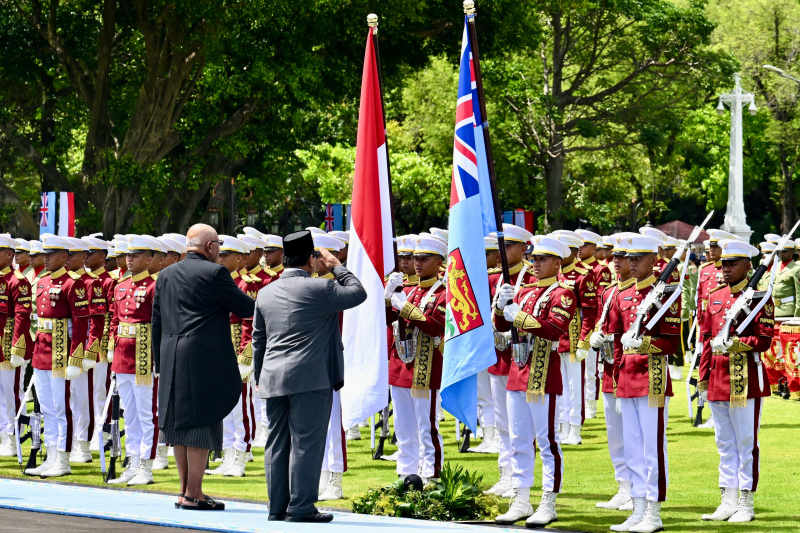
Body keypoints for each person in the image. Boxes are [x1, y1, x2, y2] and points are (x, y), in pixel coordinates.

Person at [252, 230, 365, 522]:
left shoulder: (265, 292)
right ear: (311, 260)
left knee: (276, 442)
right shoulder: (320, 289)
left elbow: (259, 341)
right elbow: (358, 292)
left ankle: (276, 508)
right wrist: (336, 265)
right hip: (311, 377)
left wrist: (260, 376)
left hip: (273, 377)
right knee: (306, 441)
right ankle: (301, 507)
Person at [152, 224, 255, 510]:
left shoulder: (166, 273)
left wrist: (159, 363)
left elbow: (156, 320)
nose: (220, 251)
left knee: (178, 425)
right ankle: (194, 492)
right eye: (219, 245)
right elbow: (246, 307)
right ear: (210, 246)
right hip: (201, 358)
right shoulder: (215, 273)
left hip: (171, 355)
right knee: (201, 423)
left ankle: (184, 490)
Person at [492, 235, 575, 527]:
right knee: (518, 441)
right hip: (518, 370)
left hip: (543, 372)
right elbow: (503, 326)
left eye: (542, 259)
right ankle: (521, 498)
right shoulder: (524, 291)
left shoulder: (563, 293)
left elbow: (554, 331)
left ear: (557, 262)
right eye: (534, 258)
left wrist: (518, 315)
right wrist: (502, 307)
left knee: (547, 441)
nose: (535, 264)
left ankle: (548, 501)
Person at [608, 234, 680, 533]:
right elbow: (615, 340)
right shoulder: (622, 295)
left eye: (639, 258)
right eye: (629, 258)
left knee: (653, 448)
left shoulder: (666, 294)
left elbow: (672, 342)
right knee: (633, 448)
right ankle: (637, 508)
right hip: (626, 377)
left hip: (652, 378)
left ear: (655, 260)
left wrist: (644, 342)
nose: (632, 263)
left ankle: (654, 511)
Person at [698, 239, 772, 523]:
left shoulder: (759, 298)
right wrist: (702, 379)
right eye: (723, 263)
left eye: (732, 263)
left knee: (745, 441)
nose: (725, 268)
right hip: (717, 377)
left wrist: (735, 343)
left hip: (745, 378)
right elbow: (706, 340)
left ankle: (745, 502)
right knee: (723, 442)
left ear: (747, 266)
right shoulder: (714, 296)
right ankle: (727, 499)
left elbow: (764, 340)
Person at [384, 234, 447, 486]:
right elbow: (387, 320)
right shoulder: (406, 289)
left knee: (426, 427)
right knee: (403, 429)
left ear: (439, 261)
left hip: (425, 366)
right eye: (414, 258)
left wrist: (404, 306)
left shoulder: (443, 293)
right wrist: (389, 297)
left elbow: (435, 326)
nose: (417, 263)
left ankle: (430, 475)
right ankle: (405, 474)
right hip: (400, 363)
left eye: (424, 258)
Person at [27, 235, 90, 478]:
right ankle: (51, 455)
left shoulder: (73, 283)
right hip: (42, 351)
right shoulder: (42, 281)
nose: (45, 257)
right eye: (45, 253)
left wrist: (76, 358)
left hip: (61, 351)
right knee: (46, 407)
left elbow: (81, 323)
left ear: (64, 257)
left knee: (61, 407)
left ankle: (63, 459)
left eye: (51, 254)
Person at [482, 225, 536, 496]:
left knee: (521, 422)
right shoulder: (492, 278)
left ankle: (520, 476)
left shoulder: (531, 276)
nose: (502, 253)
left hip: (522, 354)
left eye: (509, 246)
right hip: (497, 354)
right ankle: (505, 474)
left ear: (523, 248)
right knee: (502, 419)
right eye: (501, 247)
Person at [106, 235, 160, 486]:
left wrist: (157, 359)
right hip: (123, 356)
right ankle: (133, 462)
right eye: (128, 255)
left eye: (135, 255)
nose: (129, 259)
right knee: (130, 415)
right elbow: (115, 321)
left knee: (146, 414)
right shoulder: (120, 286)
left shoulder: (154, 286)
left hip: (143, 357)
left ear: (149, 259)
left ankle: (146, 467)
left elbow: (160, 324)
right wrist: (111, 349)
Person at [206, 236, 259, 478]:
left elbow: (251, 325)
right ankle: (227, 455)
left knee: (241, 408)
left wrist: (245, 359)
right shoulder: (217, 282)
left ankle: (240, 456)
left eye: (226, 256)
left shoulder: (247, 284)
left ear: (239, 258)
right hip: (219, 349)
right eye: (220, 255)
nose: (221, 259)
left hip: (238, 352)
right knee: (223, 408)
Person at [591, 233, 635, 511]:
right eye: (614, 257)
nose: (615, 262)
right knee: (615, 434)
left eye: (622, 257)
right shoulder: (609, 292)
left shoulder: (641, 291)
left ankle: (636, 489)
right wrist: (597, 334)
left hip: (630, 372)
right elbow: (603, 323)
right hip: (609, 369)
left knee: (633, 434)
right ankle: (623, 486)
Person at [551, 231, 597, 446]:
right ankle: (562, 427)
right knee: (559, 385)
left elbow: (589, 312)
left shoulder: (583, 274)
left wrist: (583, 341)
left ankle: (575, 429)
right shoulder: (555, 273)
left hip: (573, 338)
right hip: (554, 337)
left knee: (574, 385)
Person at [0, 236, 33, 457]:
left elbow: (22, 316)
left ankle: (11, 437)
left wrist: (17, 349)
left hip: (9, 346)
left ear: (10, 254)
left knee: (10, 393)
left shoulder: (17, 280)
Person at [576, 229, 612, 420]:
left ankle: (590, 404)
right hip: (573, 326)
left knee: (590, 369)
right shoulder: (574, 268)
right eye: (578, 245)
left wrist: (597, 326)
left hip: (590, 324)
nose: (580, 249)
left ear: (594, 248)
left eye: (584, 245)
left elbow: (600, 301)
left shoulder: (601, 269)